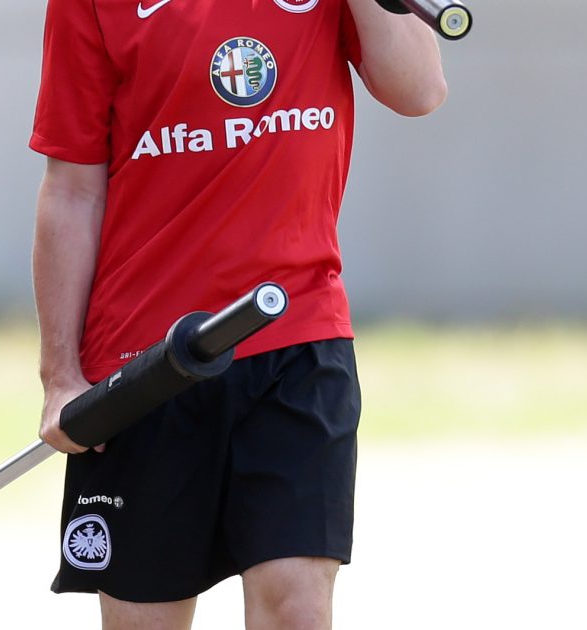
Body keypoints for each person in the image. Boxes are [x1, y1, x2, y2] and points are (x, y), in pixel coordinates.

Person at [30, 0, 446, 626]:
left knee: (295, 607)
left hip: (297, 336)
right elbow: (71, 189)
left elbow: (419, 89)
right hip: (146, 359)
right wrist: (60, 378)